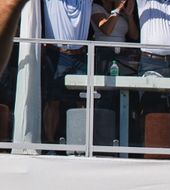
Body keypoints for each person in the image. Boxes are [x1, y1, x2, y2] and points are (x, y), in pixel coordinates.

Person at [43, 0, 93, 144]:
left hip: (81, 54)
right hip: (57, 54)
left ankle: (81, 144)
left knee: (83, 100)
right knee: (53, 100)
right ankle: (50, 144)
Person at [91, 0, 139, 77]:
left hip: (122, 55)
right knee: (107, 86)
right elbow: (107, 30)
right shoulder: (96, 8)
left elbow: (134, 36)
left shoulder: (121, 11)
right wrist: (117, 9)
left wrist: (129, 16)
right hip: (105, 54)